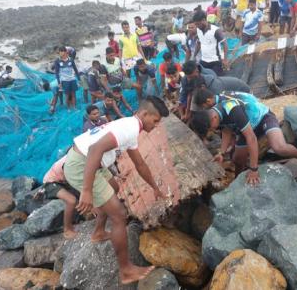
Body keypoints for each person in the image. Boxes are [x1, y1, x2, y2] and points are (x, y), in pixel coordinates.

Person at [63, 96, 169, 284]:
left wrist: (155, 188)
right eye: (155, 120)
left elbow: (140, 164)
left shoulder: (131, 126)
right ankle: (126, 270)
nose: (156, 125)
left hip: (92, 162)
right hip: (82, 164)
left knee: (114, 187)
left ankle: (98, 233)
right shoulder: (129, 128)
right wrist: (86, 190)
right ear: (144, 114)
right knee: (119, 215)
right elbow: (96, 149)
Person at [190, 88, 297, 183]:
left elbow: (251, 139)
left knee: (279, 147)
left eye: (210, 129)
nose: (212, 131)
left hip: (263, 118)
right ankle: (239, 178)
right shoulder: (215, 112)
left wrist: (254, 169)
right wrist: (222, 153)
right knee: (236, 159)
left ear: (213, 119)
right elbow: (226, 130)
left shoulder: (232, 109)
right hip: (246, 125)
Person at [179, 60, 250, 122]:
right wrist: (186, 113)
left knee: (240, 112)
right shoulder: (188, 79)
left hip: (241, 90)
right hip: (219, 91)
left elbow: (221, 103)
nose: (188, 79)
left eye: (191, 77)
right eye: (187, 77)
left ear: (196, 71)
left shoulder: (213, 83)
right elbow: (188, 94)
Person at [40, 155, 79, 239]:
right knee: (72, 200)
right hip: (50, 182)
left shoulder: (81, 156)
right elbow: (71, 178)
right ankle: (67, 230)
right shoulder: (70, 163)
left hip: (64, 181)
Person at [193, 10, 229, 76]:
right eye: (196, 24)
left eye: (198, 24)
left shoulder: (216, 30)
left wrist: (225, 60)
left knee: (217, 81)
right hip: (203, 60)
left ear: (203, 20)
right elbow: (199, 43)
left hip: (215, 61)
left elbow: (225, 44)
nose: (197, 26)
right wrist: (194, 56)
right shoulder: (198, 30)